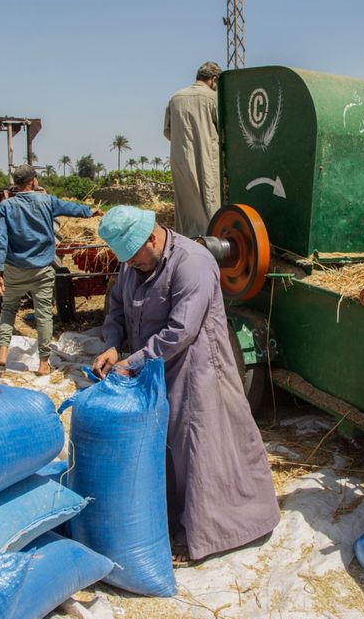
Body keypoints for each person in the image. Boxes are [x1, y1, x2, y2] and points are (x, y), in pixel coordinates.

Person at [92, 205, 279, 563]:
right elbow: (116, 307)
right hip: (154, 369)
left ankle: (211, 533)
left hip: (196, 370)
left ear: (152, 238)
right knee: (165, 448)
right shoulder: (133, 263)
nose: (131, 266)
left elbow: (181, 330)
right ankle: (169, 521)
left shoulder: (193, 263)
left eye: (135, 259)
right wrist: (113, 345)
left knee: (198, 448)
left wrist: (133, 362)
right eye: (126, 261)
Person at [0, 164, 94, 376]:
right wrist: (91, 211)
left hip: (15, 268)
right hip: (42, 269)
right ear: (34, 181)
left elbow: (0, 239)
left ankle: (2, 355)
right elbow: (71, 208)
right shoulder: (47, 201)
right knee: (44, 315)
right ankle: (43, 363)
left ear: (16, 184)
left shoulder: (6, 206)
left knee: (9, 309)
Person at [164, 61, 223, 238]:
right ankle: (212, 246)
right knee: (210, 203)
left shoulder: (175, 98)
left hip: (180, 160)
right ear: (213, 79)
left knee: (185, 206)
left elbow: (168, 131)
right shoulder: (213, 98)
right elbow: (224, 129)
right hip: (206, 159)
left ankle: (187, 243)